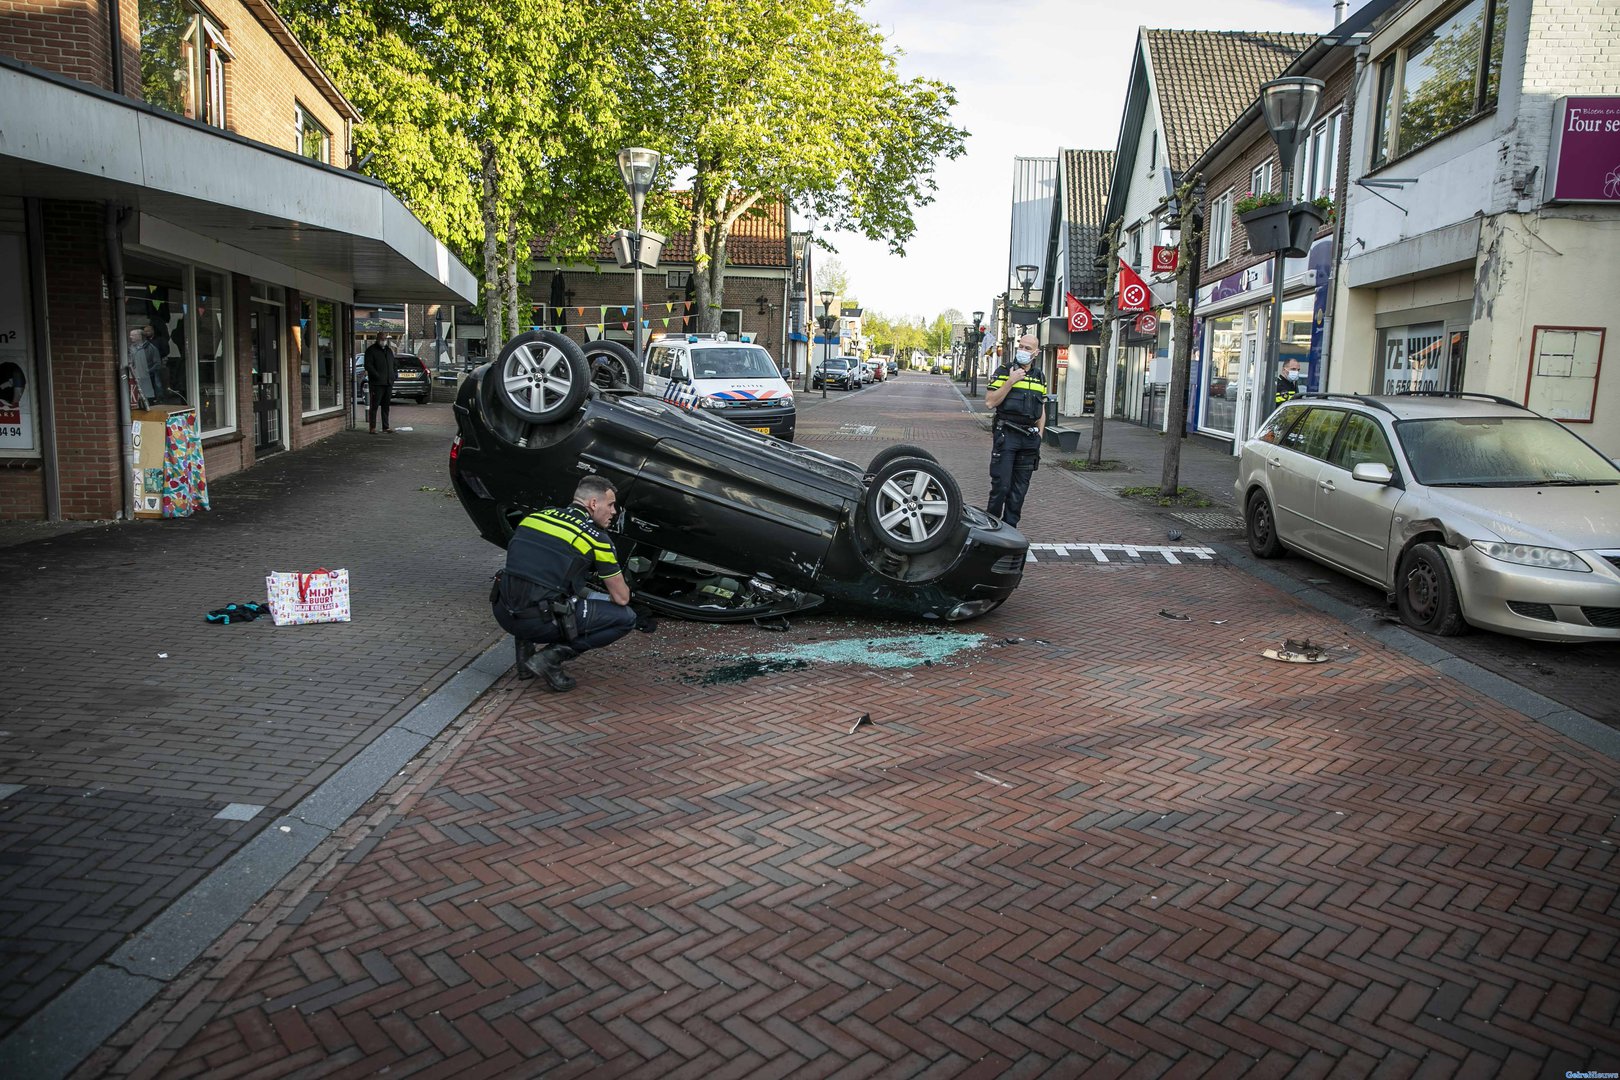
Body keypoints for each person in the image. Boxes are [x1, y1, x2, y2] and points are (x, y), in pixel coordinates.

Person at [490, 476, 639, 692]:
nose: (614, 512)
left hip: (502, 611)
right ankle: (550, 658)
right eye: (611, 505)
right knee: (626, 618)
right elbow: (621, 597)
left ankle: (524, 661)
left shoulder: (535, 517)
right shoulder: (597, 538)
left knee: (532, 586)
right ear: (594, 504)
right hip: (539, 622)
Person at [983, 333, 1048, 528]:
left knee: (1019, 489)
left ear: (1036, 353)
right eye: (1021, 346)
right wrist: (1010, 381)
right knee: (1001, 485)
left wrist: (1040, 436)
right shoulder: (1004, 371)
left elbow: (1041, 410)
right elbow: (990, 402)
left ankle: (1010, 529)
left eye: (1028, 348)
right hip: (1007, 435)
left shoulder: (1040, 377)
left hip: (1029, 438)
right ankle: (991, 527)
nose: (1023, 351)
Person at [363, 333, 396, 434]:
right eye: (382, 339)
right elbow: (368, 365)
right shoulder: (371, 351)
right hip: (377, 384)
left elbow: (393, 364)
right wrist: (376, 375)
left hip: (388, 382)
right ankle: (372, 427)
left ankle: (385, 426)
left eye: (385, 339)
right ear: (377, 339)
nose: (384, 341)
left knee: (386, 406)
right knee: (375, 406)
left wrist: (394, 375)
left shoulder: (389, 351)